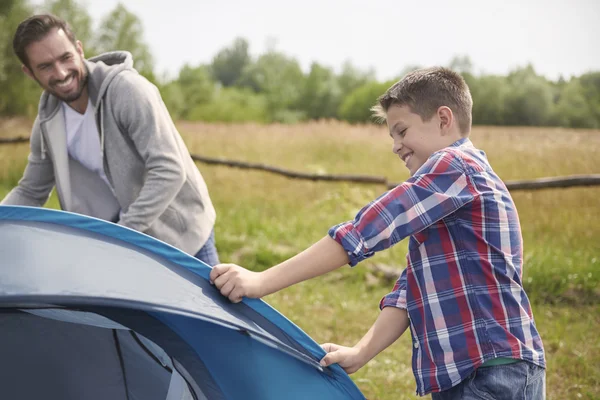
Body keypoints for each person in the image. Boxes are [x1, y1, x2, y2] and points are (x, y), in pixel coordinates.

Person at [209, 67, 546, 398]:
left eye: (402, 130)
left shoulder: (456, 166)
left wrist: (260, 281)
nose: (396, 146)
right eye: (392, 136)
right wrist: (361, 351)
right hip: (470, 375)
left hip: (495, 372)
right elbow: (412, 288)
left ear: (444, 120)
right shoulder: (448, 192)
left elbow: (367, 230)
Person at [1, 14, 219, 265]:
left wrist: (121, 234)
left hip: (181, 239)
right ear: (29, 72)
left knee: (213, 304)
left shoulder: (127, 90)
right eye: (45, 66)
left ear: (79, 49)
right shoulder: (48, 123)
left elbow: (168, 169)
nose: (61, 73)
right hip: (121, 250)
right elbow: (30, 190)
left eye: (65, 58)